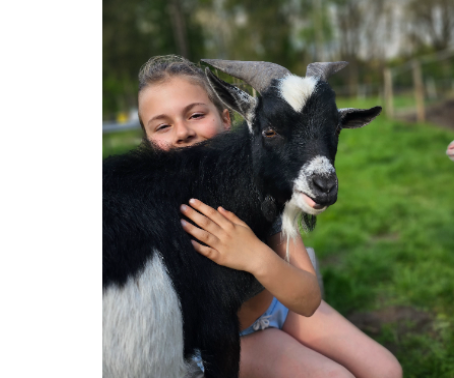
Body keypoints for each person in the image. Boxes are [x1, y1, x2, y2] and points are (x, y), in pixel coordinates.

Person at [136, 55, 402, 378]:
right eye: (162, 125)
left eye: (195, 114)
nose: (182, 132)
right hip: (220, 342)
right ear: (148, 141)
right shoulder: (151, 210)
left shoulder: (260, 188)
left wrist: (253, 254)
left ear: (228, 115)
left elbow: (306, 298)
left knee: (387, 370)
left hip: (280, 306)